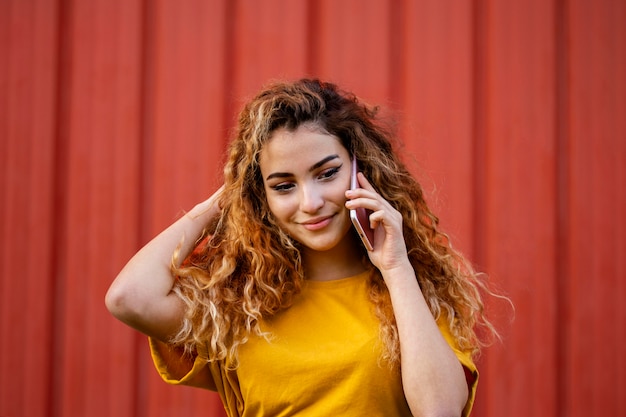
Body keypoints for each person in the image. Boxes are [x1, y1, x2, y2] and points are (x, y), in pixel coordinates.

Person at [106, 78, 501, 416]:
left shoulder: (412, 292)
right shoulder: (237, 303)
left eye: (326, 173)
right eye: (283, 185)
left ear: (361, 168)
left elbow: (439, 409)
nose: (309, 202)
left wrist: (396, 268)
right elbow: (129, 298)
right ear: (261, 194)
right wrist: (228, 197)